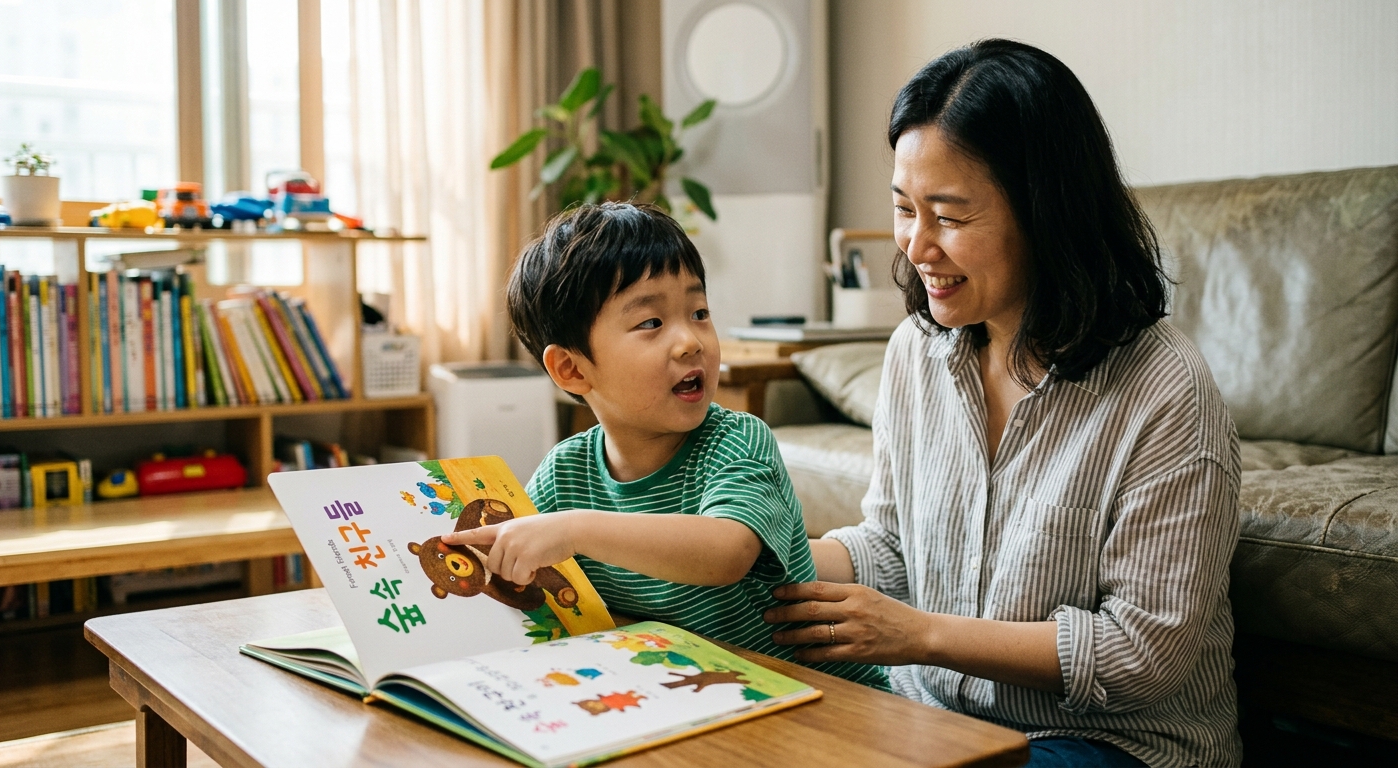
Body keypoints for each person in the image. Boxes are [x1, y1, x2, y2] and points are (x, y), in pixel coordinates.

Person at [762, 40, 1242, 767]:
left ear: (1047, 213)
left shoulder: (1165, 392)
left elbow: (1143, 653)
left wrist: (918, 633)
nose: (917, 245)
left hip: (1113, 743)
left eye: (949, 216)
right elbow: (891, 547)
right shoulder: (915, 353)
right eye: (903, 208)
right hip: (934, 714)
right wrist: (756, 558)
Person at [445, 202, 887, 690]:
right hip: (685, 695)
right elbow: (532, 581)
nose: (690, 342)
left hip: (818, 698)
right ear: (572, 369)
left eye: (699, 313)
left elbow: (726, 551)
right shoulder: (564, 473)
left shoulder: (739, 441)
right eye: (651, 323)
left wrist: (575, 531)